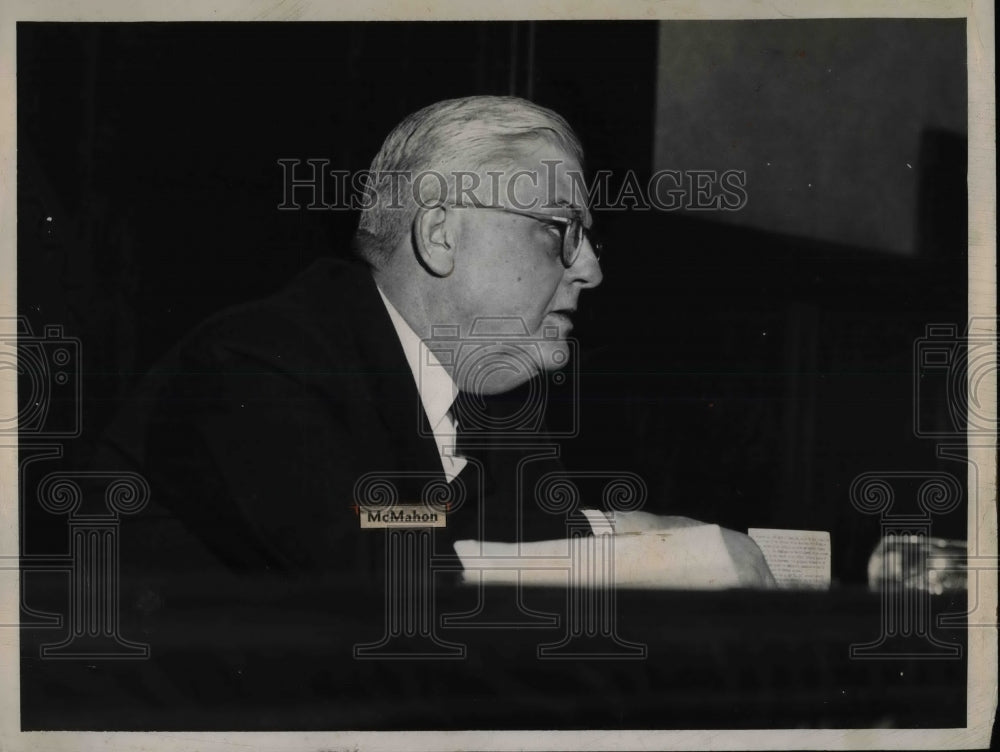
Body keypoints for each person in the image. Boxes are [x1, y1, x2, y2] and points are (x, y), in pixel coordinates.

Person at [97, 95, 774, 596]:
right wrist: (639, 546)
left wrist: (634, 527)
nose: (589, 268)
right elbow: (372, 562)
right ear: (442, 235)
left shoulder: (480, 398)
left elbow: (491, 530)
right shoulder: (257, 361)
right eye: (561, 230)